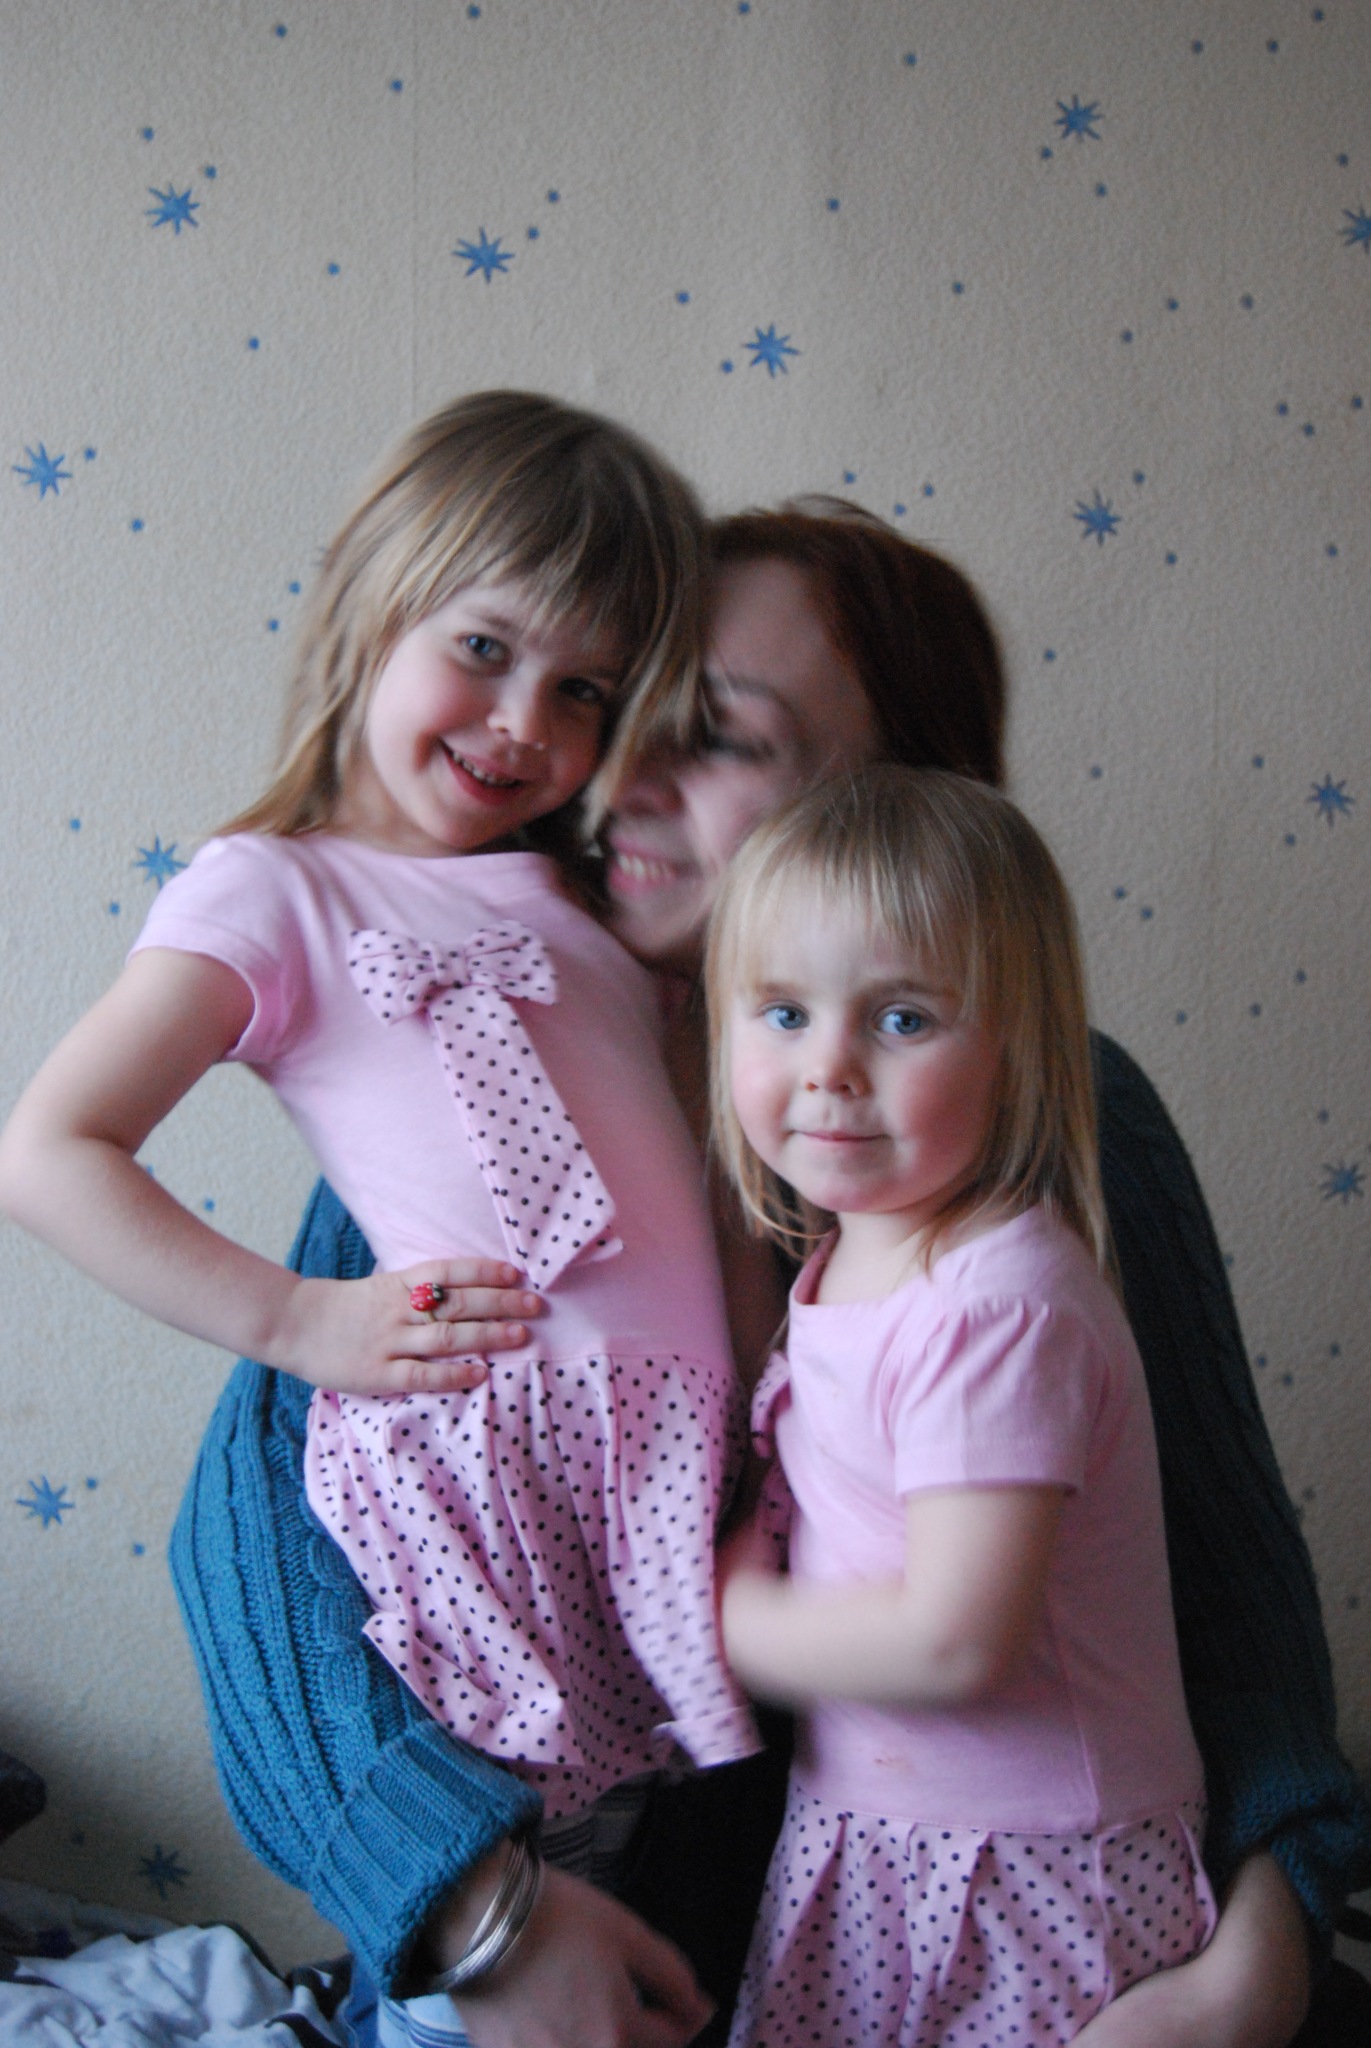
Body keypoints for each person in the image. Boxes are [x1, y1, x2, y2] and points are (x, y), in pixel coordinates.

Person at [169, 502, 1368, 2048]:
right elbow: (260, 1556)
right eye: (622, 712)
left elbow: (1224, 1598)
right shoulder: (469, 1059)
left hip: (1008, 1947)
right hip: (558, 1950)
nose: (619, 775)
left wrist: (1258, 1963)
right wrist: (484, 1922)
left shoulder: (1056, 1121)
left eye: (720, 737)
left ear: (901, 806)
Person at [0, 389, 782, 2047]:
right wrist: (298, 1318)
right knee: (494, 1917)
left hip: (658, 1473)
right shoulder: (275, 885)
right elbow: (51, 1149)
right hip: (473, 1472)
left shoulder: (582, 902)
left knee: (648, 1890)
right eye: (484, 648)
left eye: (582, 690)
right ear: (373, 603)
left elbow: (693, 1178)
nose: (523, 721)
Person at [708, 763, 1215, 2044]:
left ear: (1018, 1046)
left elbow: (952, 1640)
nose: (828, 1067)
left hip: (1027, 1868)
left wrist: (726, 1622)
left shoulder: (995, 1306)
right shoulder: (856, 1252)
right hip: (892, 1829)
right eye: (782, 1011)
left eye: (902, 1018)